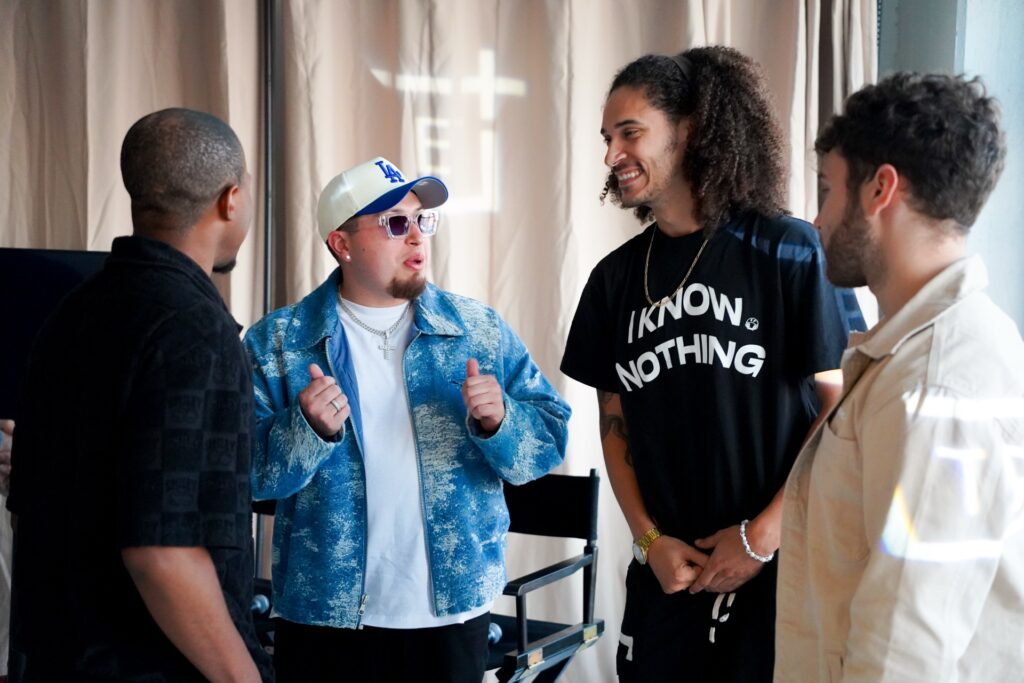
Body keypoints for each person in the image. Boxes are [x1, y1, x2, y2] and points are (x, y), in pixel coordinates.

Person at [560, 47, 864, 681]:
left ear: (691, 130)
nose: (612, 155)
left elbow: (841, 407)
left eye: (630, 133)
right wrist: (648, 540)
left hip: (780, 569)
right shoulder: (614, 281)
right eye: (607, 138)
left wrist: (762, 536)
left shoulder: (788, 249)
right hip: (669, 576)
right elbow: (615, 426)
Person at [244, 156, 571, 682]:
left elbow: (550, 437)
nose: (417, 236)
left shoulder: (476, 331)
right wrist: (305, 431)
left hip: (452, 613)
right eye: (395, 223)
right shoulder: (279, 343)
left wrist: (501, 422)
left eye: (422, 220)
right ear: (342, 243)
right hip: (324, 615)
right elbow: (245, 475)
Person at [5, 108, 273, 682]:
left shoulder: (72, 312)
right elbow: (162, 550)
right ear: (231, 200)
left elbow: (31, 506)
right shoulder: (194, 330)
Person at [775, 73, 1024, 681]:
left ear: (880, 189)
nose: (817, 218)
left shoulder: (938, 383)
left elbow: (904, 649)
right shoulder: (915, 355)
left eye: (828, 189)